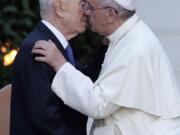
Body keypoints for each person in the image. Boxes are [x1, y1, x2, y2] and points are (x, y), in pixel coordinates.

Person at [32, 0, 180, 134]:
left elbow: (98, 104)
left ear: (110, 14)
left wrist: (61, 65)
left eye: (90, 7)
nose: (87, 12)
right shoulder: (128, 36)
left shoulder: (134, 49)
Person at [10, 0, 105, 134]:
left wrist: (106, 43)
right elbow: (44, 120)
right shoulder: (38, 47)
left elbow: (81, 79)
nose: (87, 11)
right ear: (60, 8)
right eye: (82, 4)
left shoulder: (54, 46)